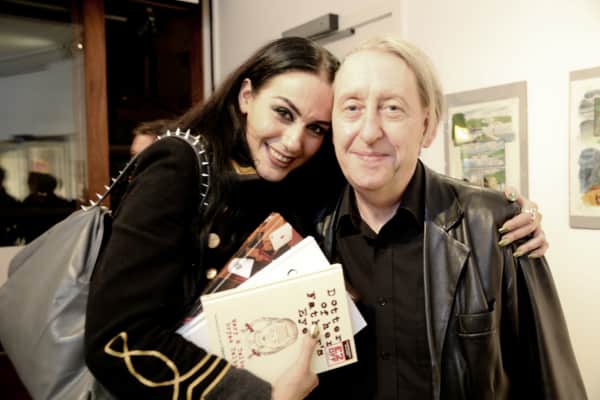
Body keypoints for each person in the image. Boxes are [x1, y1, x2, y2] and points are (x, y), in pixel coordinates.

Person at [84, 37, 549, 400]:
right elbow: (114, 340)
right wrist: (258, 396)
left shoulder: (305, 181)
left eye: (315, 128)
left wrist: (491, 205)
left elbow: (387, 162)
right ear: (246, 95)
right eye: (282, 113)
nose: (293, 141)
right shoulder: (180, 168)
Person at [309, 37, 586, 399]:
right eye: (352, 107)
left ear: (428, 127)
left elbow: (550, 378)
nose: (370, 131)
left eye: (392, 108)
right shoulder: (312, 234)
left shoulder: (494, 225)